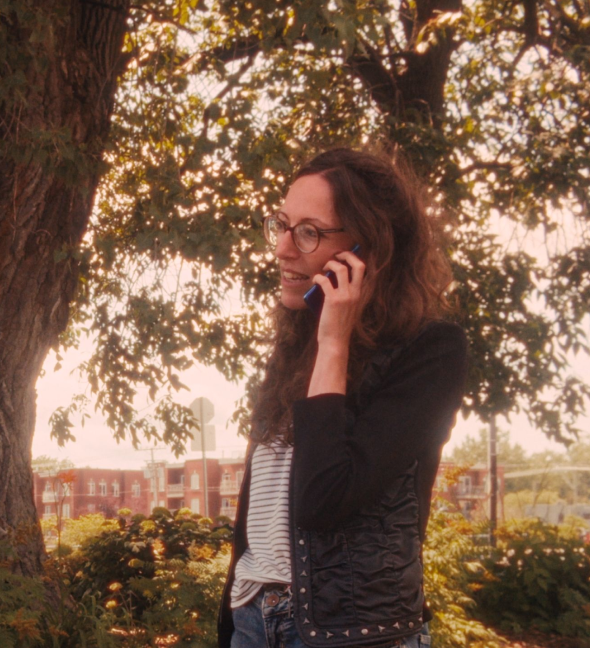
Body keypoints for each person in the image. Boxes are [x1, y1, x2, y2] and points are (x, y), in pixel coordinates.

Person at [217, 148, 468, 648]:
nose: (284, 249)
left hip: (348, 631)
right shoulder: (294, 344)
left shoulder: (431, 351)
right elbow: (257, 513)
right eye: (281, 225)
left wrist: (334, 342)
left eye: (308, 232)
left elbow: (323, 498)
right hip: (253, 618)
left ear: (365, 249)